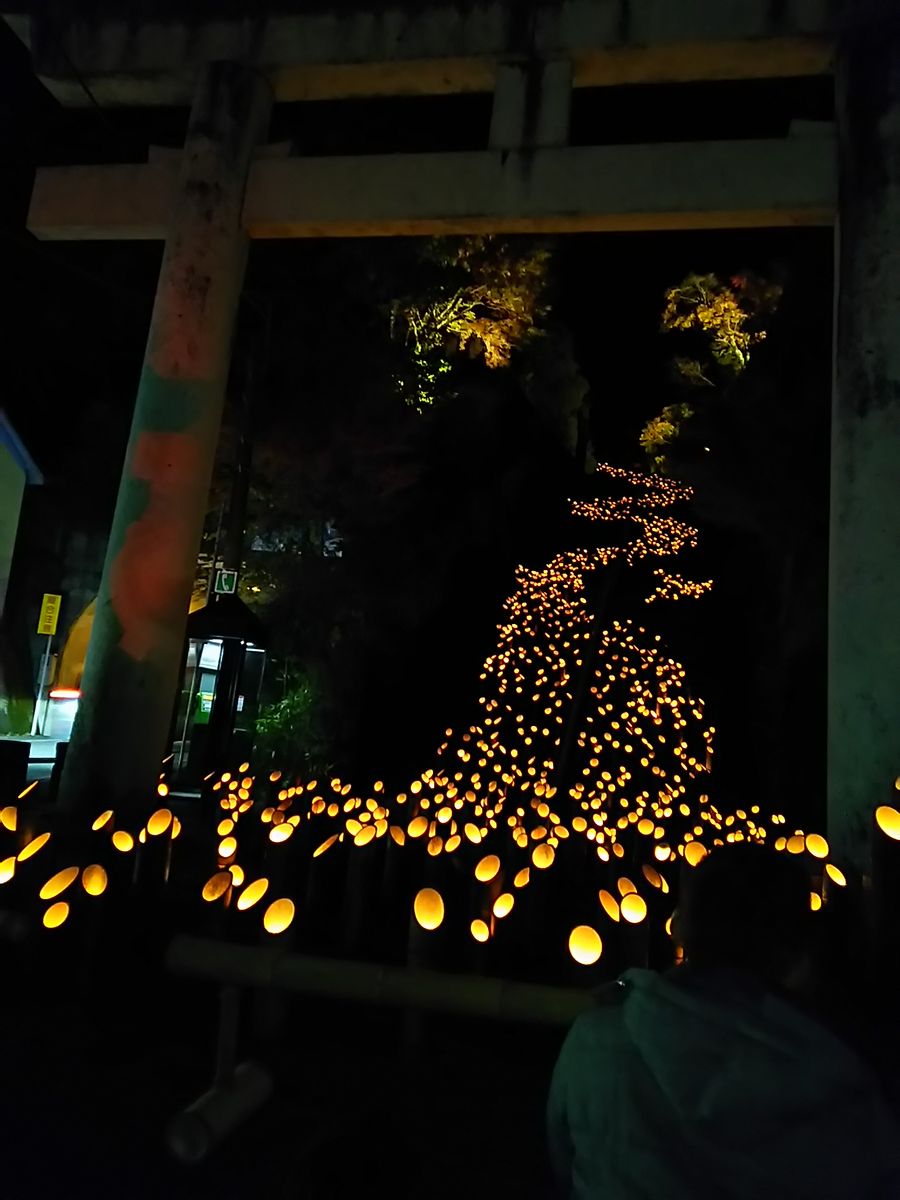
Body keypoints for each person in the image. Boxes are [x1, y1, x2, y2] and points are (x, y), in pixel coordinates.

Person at [547, 843, 900, 1199]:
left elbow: (563, 1161)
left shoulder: (594, 1042)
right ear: (796, 946)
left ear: (683, 925)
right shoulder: (836, 1088)